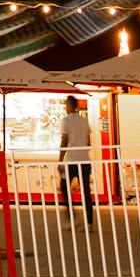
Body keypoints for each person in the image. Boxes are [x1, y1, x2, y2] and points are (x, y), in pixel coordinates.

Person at [57, 95, 95, 229]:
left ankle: (72, 218)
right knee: (86, 192)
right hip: (84, 160)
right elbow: (88, 142)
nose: (65, 107)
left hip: (70, 160)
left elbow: (64, 141)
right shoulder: (84, 121)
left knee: (65, 189)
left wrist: (60, 160)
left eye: (66, 104)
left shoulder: (66, 121)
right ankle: (89, 223)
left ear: (70, 106)